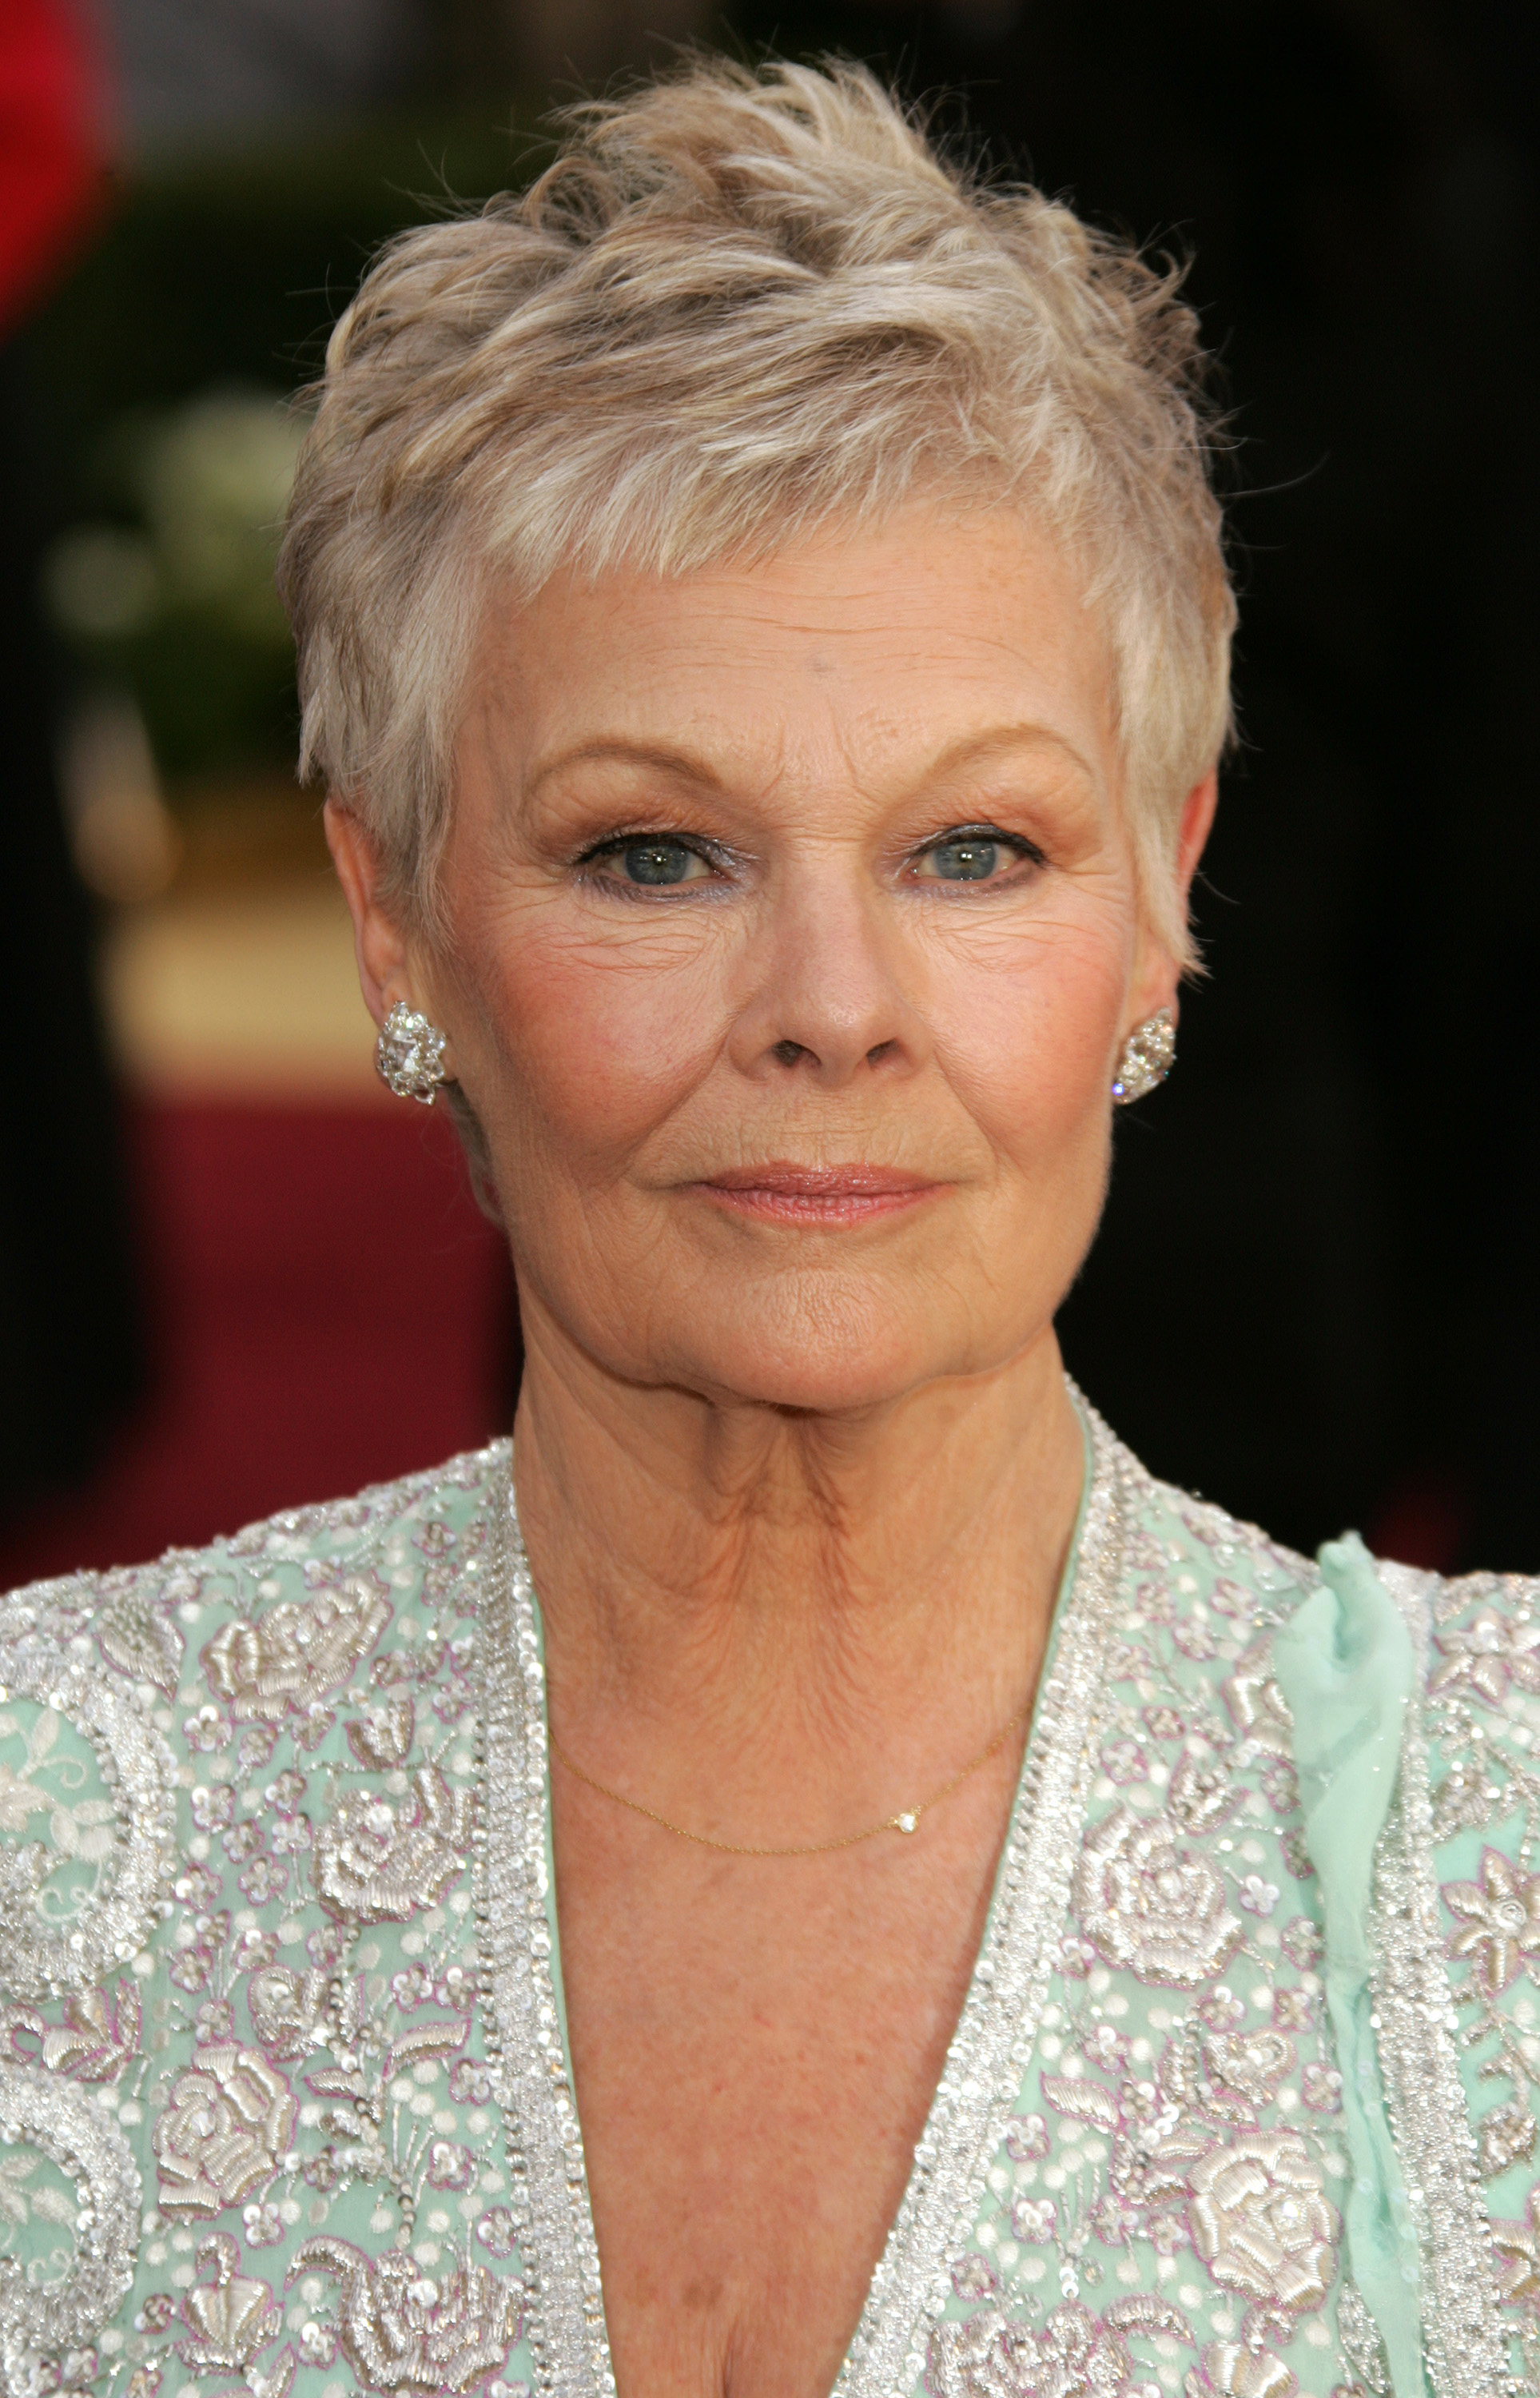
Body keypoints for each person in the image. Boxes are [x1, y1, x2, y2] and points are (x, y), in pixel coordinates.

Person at [0, 58, 1530, 2398]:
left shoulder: (1499, 1844)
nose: (831, 1012)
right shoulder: (53, 1820)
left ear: (1159, 908)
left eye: (973, 854)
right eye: (653, 854)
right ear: (396, 923)